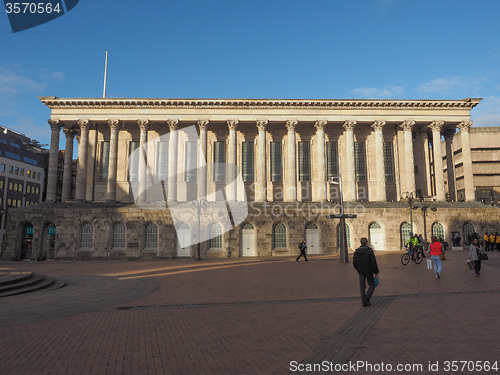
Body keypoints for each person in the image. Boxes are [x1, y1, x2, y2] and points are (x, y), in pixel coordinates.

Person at [353, 237, 379, 307]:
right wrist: (376, 272)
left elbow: (354, 263)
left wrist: (358, 269)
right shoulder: (369, 251)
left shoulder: (356, 252)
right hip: (369, 271)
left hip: (361, 271)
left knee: (362, 286)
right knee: (372, 285)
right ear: (367, 243)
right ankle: (367, 298)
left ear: (361, 243)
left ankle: (363, 302)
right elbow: (373, 262)